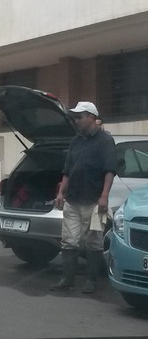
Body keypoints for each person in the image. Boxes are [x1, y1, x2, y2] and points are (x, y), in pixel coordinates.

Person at [51, 101, 116, 293]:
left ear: (91, 117)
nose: (76, 121)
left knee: (93, 241)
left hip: (94, 201)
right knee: (68, 240)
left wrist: (104, 196)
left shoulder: (105, 141)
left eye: (79, 117)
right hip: (72, 200)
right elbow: (67, 171)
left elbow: (110, 171)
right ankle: (67, 279)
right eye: (75, 117)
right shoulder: (76, 141)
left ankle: (91, 281)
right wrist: (61, 192)